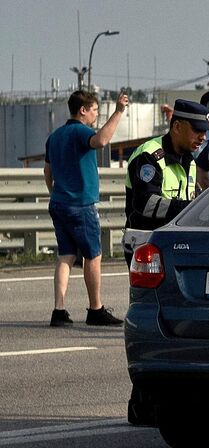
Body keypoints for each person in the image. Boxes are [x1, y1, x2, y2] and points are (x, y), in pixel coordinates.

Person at [43, 89, 130, 327]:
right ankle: (96, 309)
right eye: (94, 111)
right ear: (82, 110)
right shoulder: (81, 131)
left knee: (66, 255)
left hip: (59, 203)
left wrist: (55, 194)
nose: (95, 115)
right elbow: (101, 141)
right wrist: (118, 111)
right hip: (80, 204)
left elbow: (47, 172)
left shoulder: (55, 136)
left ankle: (58, 310)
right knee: (93, 255)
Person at [122, 99, 209, 264]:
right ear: (177, 127)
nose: (202, 137)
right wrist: (189, 208)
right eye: (197, 130)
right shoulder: (149, 156)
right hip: (147, 243)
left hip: (176, 243)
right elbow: (145, 203)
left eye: (204, 131)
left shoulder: (189, 160)